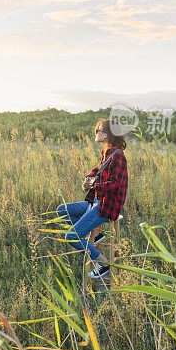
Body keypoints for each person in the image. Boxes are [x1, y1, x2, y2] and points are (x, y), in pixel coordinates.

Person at [57, 118, 128, 279]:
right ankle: (94, 233)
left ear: (108, 134)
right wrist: (88, 179)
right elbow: (97, 169)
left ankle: (103, 264)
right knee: (62, 210)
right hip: (96, 202)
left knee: (72, 236)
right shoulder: (107, 152)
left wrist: (96, 186)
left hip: (106, 206)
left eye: (99, 130)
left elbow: (116, 185)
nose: (96, 132)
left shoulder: (119, 156)